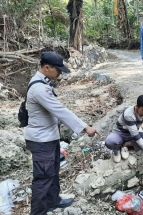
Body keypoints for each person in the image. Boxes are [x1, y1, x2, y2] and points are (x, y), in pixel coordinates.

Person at [24, 51, 98, 215]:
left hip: (49, 137)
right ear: (47, 67)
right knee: (43, 178)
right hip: (41, 140)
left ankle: (53, 200)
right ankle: (38, 212)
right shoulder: (39, 89)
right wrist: (85, 127)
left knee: (52, 172)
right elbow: (61, 111)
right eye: (58, 70)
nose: (60, 74)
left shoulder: (43, 83)